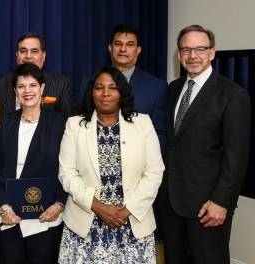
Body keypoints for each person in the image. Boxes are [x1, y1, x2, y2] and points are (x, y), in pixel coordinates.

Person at [159, 25, 251, 264]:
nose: (193, 55)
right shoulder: (173, 88)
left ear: (212, 52)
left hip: (207, 207)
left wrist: (221, 202)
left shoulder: (233, 95)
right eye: (186, 49)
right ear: (179, 54)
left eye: (200, 48)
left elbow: (237, 157)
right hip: (171, 203)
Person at [58, 66, 164, 263]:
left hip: (132, 223)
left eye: (113, 88)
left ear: (121, 93)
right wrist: (99, 207)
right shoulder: (75, 125)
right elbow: (67, 174)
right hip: (86, 224)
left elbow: (155, 172)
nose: (106, 93)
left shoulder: (143, 123)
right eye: (99, 87)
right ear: (91, 92)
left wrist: (125, 211)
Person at [0, 63, 67, 264]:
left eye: (32, 85)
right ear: (15, 91)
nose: (27, 91)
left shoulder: (59, 122)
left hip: (46, 214)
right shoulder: (7, 121)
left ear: (42, 88)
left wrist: (59, 204)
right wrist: (4, 205)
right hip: (10, 213)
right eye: (21, 86)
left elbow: (68, 168)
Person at [108, 24, 168, 153]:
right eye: (118, 44)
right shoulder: (89, 82)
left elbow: (160, 135)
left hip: (138, 167)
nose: (123, 49)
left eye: (130, 44)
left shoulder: (157, 87)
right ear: (110, 47)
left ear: (138, 49)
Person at [0, 32, 77, 117]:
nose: (28, 56)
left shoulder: (62, 84)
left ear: (43, 56)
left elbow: (71, 122)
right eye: (23, 51)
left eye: (34, 51)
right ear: (17, 55)